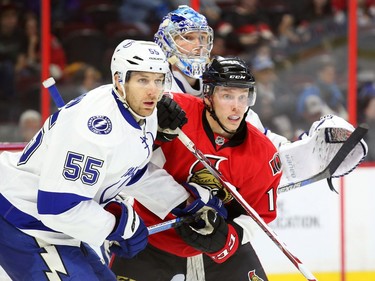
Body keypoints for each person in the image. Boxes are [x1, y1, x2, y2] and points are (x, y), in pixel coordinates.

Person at [0, 39, 193, 280]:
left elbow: (132, 170)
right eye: (142, 80)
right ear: (119, 80)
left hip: (60, 228)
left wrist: (184, 203)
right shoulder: (93, 130)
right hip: (21, 219)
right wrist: (116, 227)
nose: (153, 91)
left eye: (158, 80)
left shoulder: (144, 112)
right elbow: (57, 208)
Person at [111, 57, 282, 280]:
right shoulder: (173, 112)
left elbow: (259, 215)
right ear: (208, 96)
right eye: (227, 95)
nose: (236, 106)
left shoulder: (263, 152)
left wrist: (228, 238)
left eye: (243, 97)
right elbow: (124, 159)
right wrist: (146, 124)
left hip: (218, 252)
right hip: (153, 241)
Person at [154, 4, 288, 147]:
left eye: (203, 38)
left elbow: (258, 135)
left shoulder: (219, 78)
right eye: (188, 37)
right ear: (166, 43)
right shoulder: (153, 87)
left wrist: (288, 147)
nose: (199, 45)